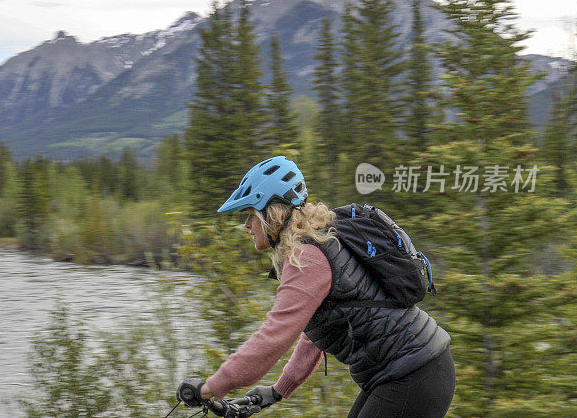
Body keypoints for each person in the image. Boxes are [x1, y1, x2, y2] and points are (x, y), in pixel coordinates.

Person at [183, 156, 455, 418]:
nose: (246, 225)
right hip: (408, 372)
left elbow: (274, 336)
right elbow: (318, 331)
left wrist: (210, 388)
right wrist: (277, 391)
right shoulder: (315, 244)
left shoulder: (306, 257)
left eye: (251, 215)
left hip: (412, 372)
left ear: (273, 213)